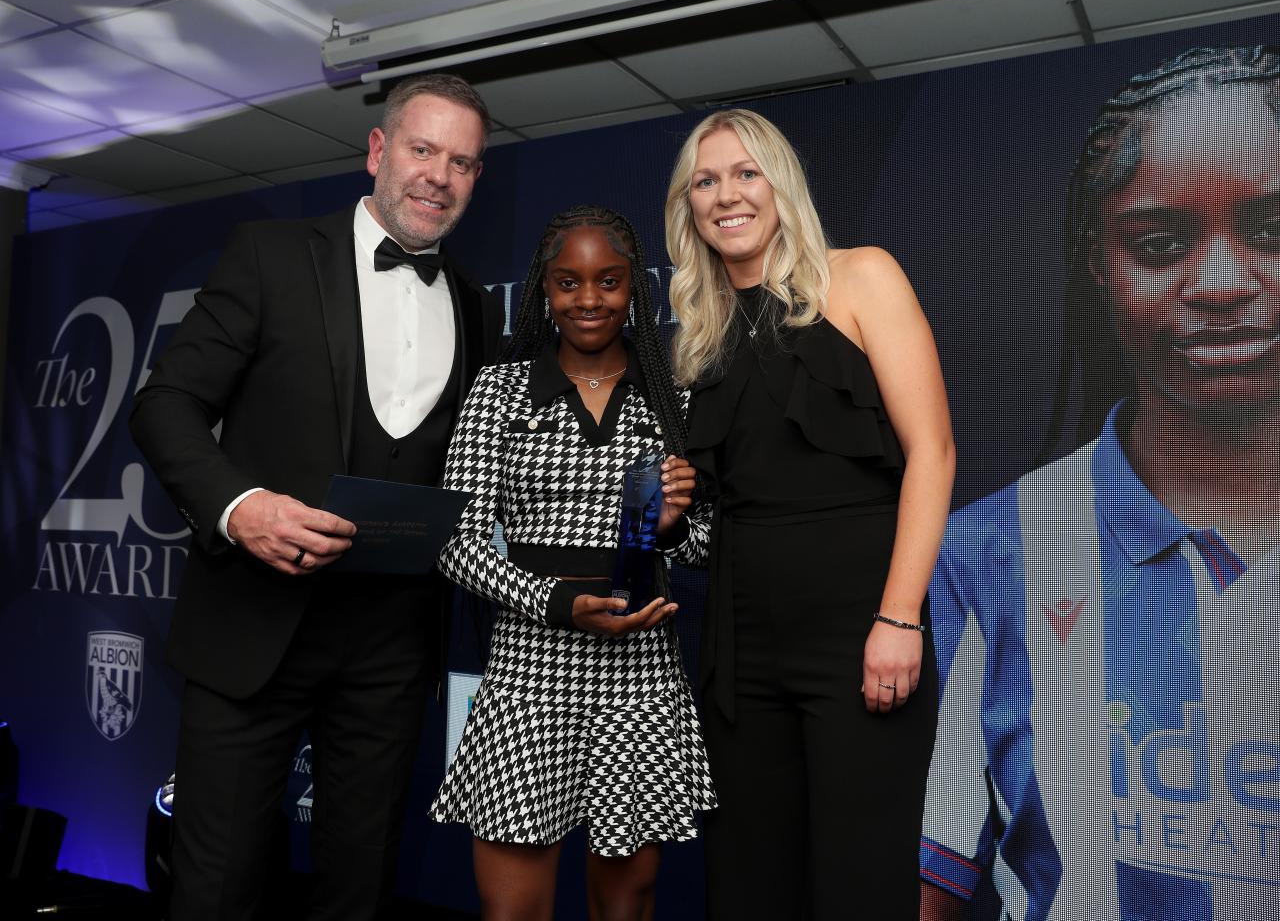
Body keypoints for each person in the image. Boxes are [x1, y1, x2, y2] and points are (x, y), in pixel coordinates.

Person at [129, 73, 504, 921]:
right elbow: (165, 405)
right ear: (378, 151)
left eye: (462, 162)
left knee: (360, 888)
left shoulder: (479, 309)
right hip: (253, 626)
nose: (438, 175)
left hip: (393, 646)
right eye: (421, 149)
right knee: (216, 886)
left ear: (476, 179)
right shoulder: (272, 255)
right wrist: (240, 507)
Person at [919, 45, 1280, 920]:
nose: (1225, 285)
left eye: (1272, 230)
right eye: (1160, 242)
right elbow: (943, 861)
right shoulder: (987, 551)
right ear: (1097, 262)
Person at [664, 109, 955, 919]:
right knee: (751, 879)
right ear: (689, 206)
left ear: (781, 183)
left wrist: (899, 618)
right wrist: (667, 511)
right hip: (740, 640)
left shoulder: (861, 276)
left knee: (861, 878)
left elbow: (933, 453)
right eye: (707, 180)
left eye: (745, 172)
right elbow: (720, 508)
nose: (728, 194)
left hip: (859, 627)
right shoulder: (701, 330)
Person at [428, 205, 716, 921]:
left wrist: (671, 527)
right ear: (543, 292)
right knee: (513, 908)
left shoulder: (672, 397)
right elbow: (453, 544)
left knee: (627, 902)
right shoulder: (497, 393)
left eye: (609, 281)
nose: (589, 300)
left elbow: (708, 549)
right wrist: (556, 604)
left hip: (640, 674)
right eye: (569, 283)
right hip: (530, 671)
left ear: (634, 290)